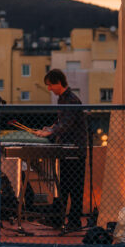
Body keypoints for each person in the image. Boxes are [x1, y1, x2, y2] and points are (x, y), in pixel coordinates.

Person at [34, 68, 87, 231]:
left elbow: (66, 125)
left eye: (50, 85)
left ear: (58, 83)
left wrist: (50, 131)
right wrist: (49, 128)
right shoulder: (63, 99)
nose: (49, 89)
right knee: (64, 186)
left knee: (75, 188)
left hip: (75, 151)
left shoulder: (71, 100)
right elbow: (61, 122)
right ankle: (57, 219)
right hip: (67, 150)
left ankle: (74, 222)